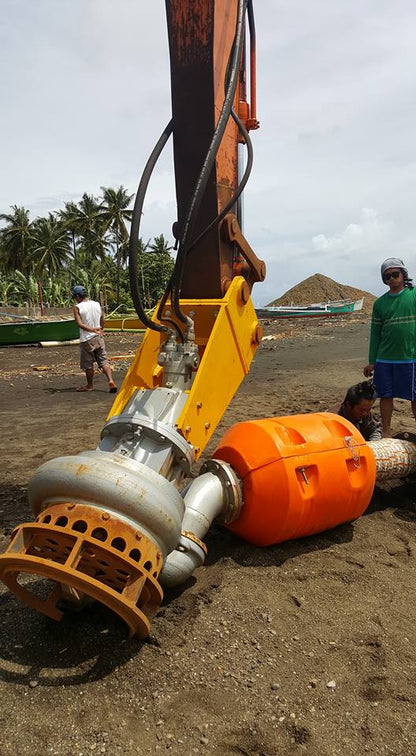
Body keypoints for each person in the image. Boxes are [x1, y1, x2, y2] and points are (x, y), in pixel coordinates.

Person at [363, 257, 416, 437]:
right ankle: (386, 431)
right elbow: (376, 333)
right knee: (385, 395)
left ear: (403, 274)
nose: (392, 278)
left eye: (395, 274)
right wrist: (372, 361)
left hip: (410, 357)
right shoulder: (379, 303)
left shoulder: (414, 295)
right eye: (387, 276)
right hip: (385, 358)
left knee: (415, 396)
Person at [72, 285, 117, 393]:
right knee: (103, 361)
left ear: (78, 296)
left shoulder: (78, 307)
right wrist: (100, 329)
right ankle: (110, 380)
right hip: (98, 337)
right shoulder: (96, 304)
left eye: (75, 297)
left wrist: (92, 330)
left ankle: (89, 385)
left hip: (86, 339)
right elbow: (102, 318)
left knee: (88, 364)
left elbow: (79, 324)